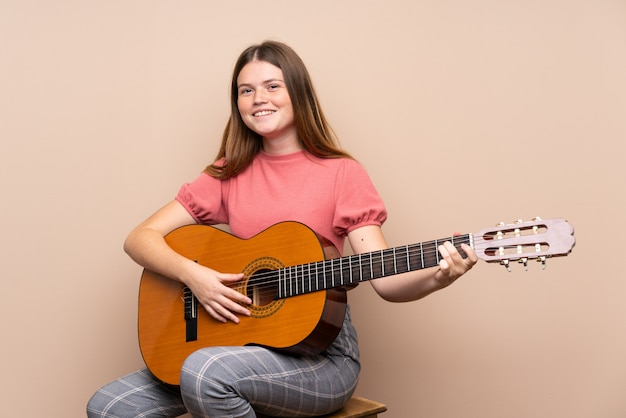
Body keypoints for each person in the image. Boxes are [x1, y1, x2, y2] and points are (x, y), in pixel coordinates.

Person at [87, 40, 478, 418]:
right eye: (246, 90)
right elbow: (139, 239)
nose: (259, 98)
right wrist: (195, 276)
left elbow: (387, 283)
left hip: (321, 359)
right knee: (110, 406)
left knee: (206, 372)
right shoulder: (228, 173)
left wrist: (440, 276)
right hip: (231, 346)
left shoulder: (342, 173)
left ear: (299, 94)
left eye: (273, 86)